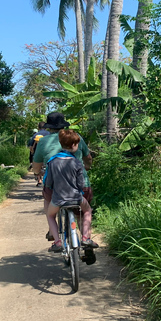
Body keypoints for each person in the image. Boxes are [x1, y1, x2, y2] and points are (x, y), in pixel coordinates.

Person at [32, 112, 97, 247]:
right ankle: (86, 239)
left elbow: (37, 166)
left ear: (49, 127)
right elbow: (88, 158)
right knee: (83, 212)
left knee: (48, 199)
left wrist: (37, 173)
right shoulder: (76, 138)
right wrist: (87, 167)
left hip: (56, 191)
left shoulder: (43, 142)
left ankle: (53, 232)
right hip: (79, 190)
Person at [43, 129, 97, 263]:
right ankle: (85, 238)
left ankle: (57, 242)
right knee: (88, 211)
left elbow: (48, 182)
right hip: (76, 198)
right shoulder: (77, 163)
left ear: (61, 144)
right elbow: (80, 183)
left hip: (58, 199)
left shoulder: (52, 162)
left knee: (50, 215)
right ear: (74, 145)